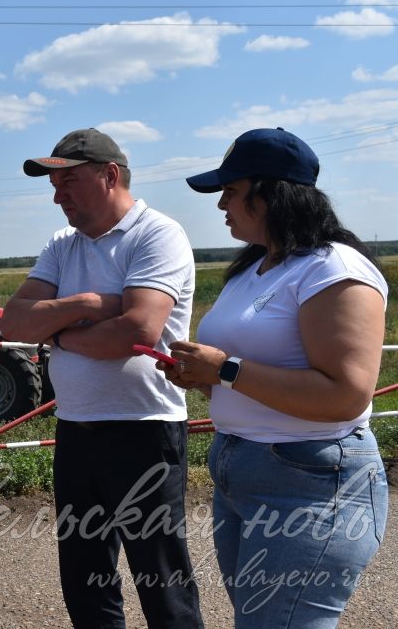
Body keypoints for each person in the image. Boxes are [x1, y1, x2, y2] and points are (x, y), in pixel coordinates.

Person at [162, 127, 389, 628]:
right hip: (241, 470)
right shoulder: (255, 269)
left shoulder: (334, 269)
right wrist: (203, 376)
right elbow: (253, 378)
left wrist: (224, 368)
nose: (222, 204)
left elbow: (347, 395)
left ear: (272, 195)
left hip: (309, 480)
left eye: (232, 191)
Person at [0, 128, 205, 628]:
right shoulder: (63, 244)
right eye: (54, 183)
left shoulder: (157, 234)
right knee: (85, 580)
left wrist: (59, 335)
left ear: (110, 176)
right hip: (75, 429)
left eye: (68, 180)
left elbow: (136, 331)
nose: (57, 194)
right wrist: (88, 305)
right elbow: (14, 324)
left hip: (143, 429)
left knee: (160, 579)